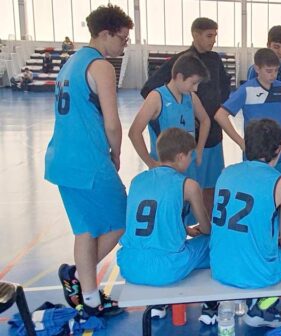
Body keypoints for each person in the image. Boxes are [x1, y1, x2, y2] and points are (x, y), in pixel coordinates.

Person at [44, 4, 133, 318]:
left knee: (85, 229)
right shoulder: (101, 66)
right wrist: (117, 152)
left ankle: (88, 293)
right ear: (105, 34)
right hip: (89, 160)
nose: (124, 45)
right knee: (122, 219)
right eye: (122, 38)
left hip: (61, 159)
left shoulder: (71, 63)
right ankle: (83, 281)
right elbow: (111, 122)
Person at [209, 119, 281, 328]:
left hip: (219, 267)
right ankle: (264, 306)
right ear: (278, 149)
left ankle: (256, 303)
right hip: (258, 274)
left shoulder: (226, 172)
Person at [118, 128, 214, 320]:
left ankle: (158, 304)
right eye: (189, 155)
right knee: (213, 243)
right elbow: (205, 227)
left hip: (129, 264)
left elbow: (147, 220)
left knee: (175, 247)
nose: (190, 160)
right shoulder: (188, 185)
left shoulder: (138, 180)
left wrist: (183, 229)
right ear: (180, 157)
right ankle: (211, 305)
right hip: (165, 269)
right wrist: (201, 230)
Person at [141, 17, 229, 218]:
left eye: (215, 36)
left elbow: (224, 89)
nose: (213, 40)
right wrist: (165, 130)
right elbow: (149, 89)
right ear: (195, 34)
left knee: (212, 187)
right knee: (188, 190)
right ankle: (186, 227)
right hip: (189, 140)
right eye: (209, 36)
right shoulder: (183, 61)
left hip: (213, 135)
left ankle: (208, 229)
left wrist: (213, 110)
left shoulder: (215, 60)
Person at [214, 48, 281, 177]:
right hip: (254, 154)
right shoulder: (247, 90)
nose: (273, 75)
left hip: (280, 154)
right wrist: (241, 142)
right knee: (255, 189)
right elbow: (220, 115)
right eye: (269, 71)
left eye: (276, 70)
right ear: (257, 69)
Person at [128, 52, 211, 182]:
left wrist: (199, 150)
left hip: (189, 168)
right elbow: (134, 132)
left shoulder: (191, 97)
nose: (195, 88)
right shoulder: (156, 98)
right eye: (193, 83)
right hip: (166, 172)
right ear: (179, 76)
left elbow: (205, 120)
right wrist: (150, 162)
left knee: (191, 199)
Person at [247, 25, 281, 155]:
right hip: (259, 135)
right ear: (268, 45)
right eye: (276, 47)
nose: (280, 51)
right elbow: (249, 105)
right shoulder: (255, 71)